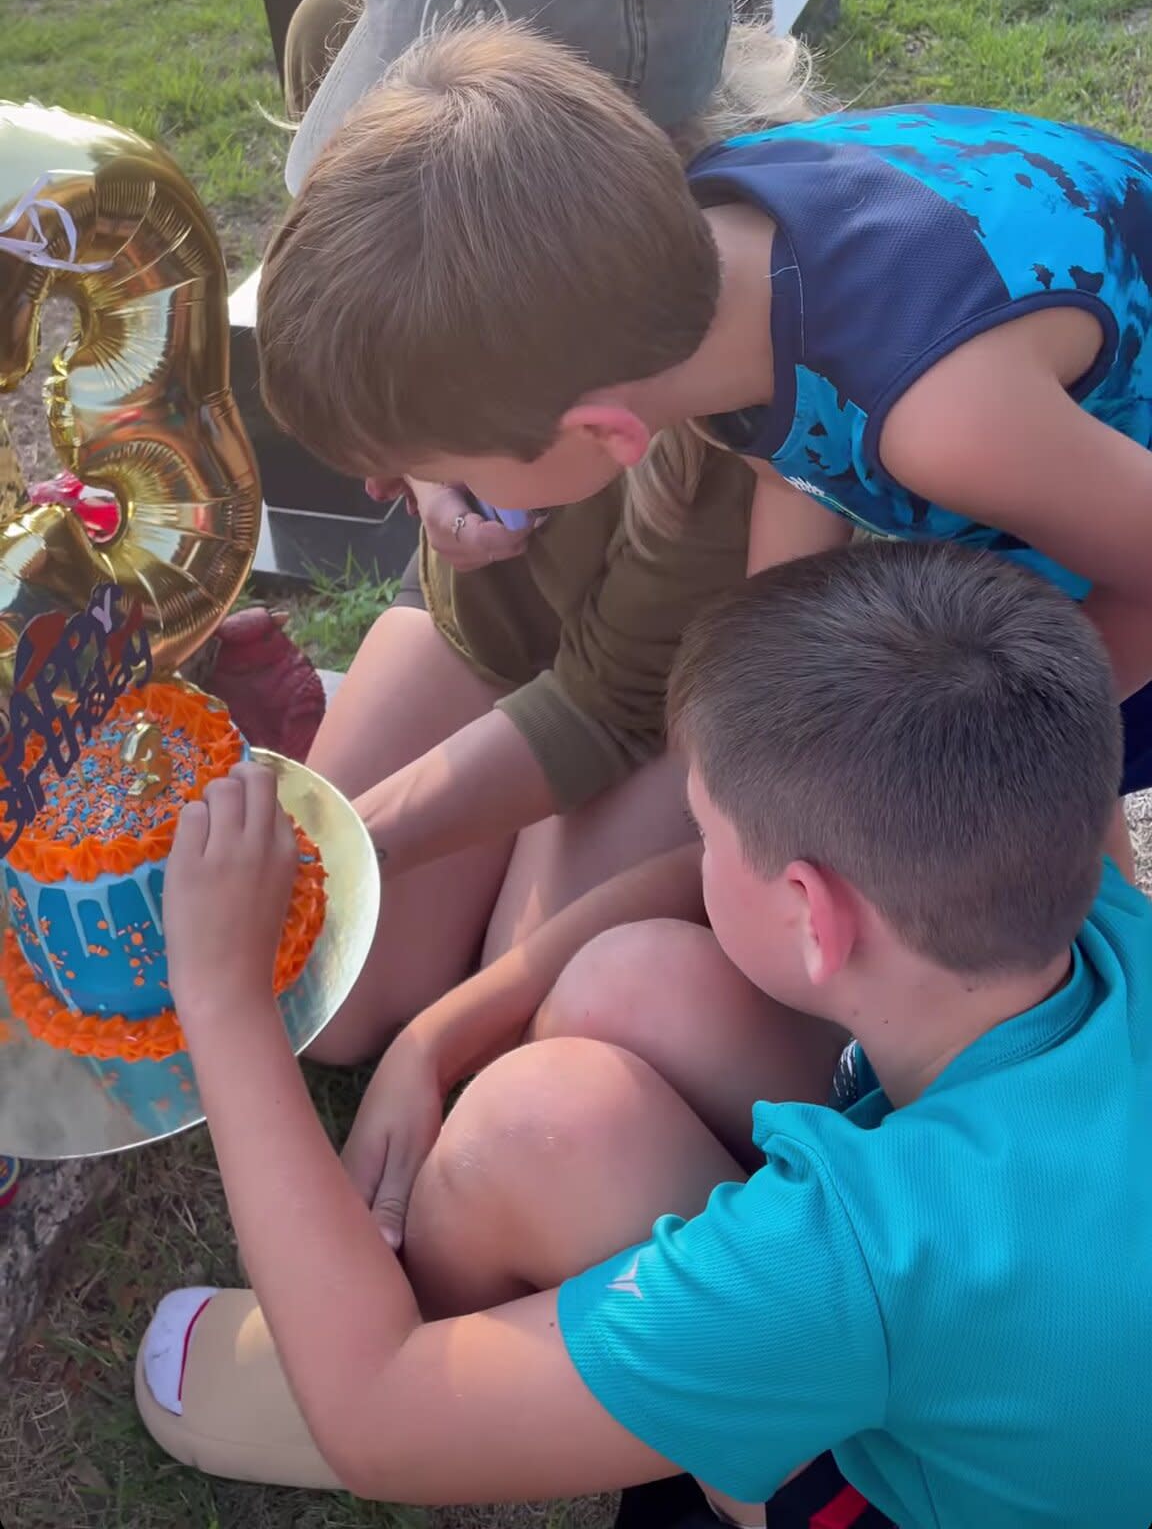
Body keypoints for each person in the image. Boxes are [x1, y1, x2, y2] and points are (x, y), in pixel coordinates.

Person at [136, 542, 1152, 1525]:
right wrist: (435, 1036)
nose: (692, 852)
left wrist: (225, 999)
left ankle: (431, 1369)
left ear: (813, 912)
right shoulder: (1085, 898)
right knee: (633, 982)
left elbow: (375, 1422)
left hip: (891, 1461)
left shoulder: (856, 1255)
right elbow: (694, 900)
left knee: (518, 1130)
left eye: (705, 831)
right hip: (1036, 1347)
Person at [256, 18, 1152, 867]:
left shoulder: (941, 423)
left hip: (1114, 527)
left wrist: (1002, 747)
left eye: (445, 471)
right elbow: (797, 458)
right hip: (1071, 449)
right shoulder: (705, 264)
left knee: (1005, 808)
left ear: (607, 437)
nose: (425, 490)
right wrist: (754, 681)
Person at [274, 0, 809, 1056]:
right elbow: (369, 241)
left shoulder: (732, 372)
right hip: (494, 622)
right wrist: (426, 455)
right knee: (331, 1002)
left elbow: (614, 696)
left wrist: (356, 838)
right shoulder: (358, 30)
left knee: (528, 1040)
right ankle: (499, 856)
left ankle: (545, 865)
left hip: (648, 706)